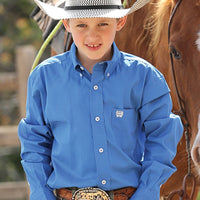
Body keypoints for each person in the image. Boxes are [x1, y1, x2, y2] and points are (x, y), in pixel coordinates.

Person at [18, 0, 183, 199]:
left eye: (103, 24)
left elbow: (162, 137)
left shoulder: (145, 77)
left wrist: (147, 192)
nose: (92, 35)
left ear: (120, 21)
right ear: (67, 24)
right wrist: (42, 194)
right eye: (81, 25)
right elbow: (34, 142)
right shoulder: (44, 78)